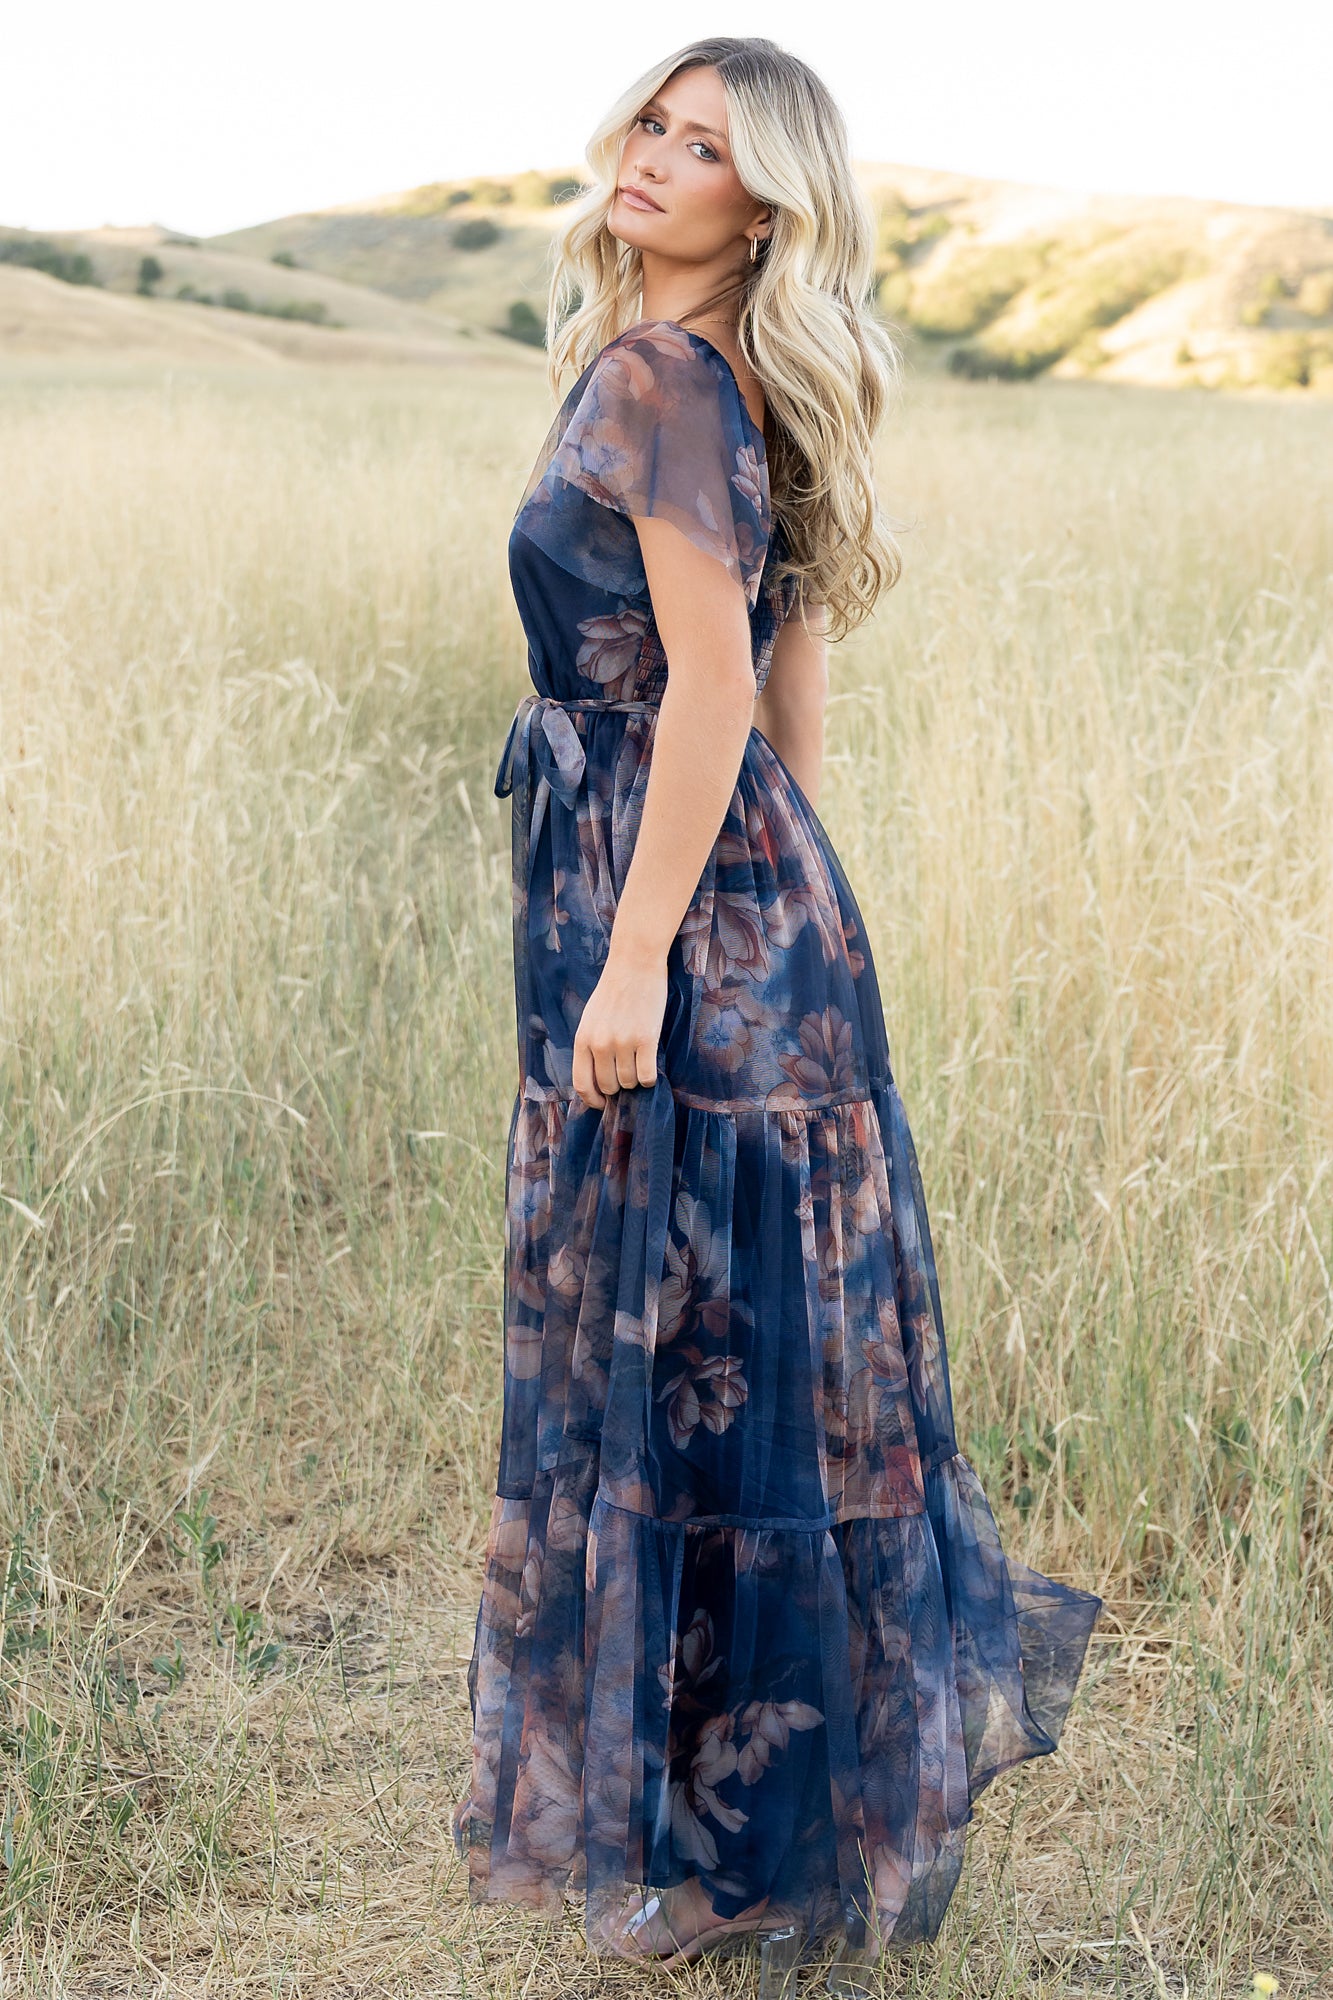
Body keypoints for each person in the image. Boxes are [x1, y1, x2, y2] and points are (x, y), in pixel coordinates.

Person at [450, 35, 1102, 1995]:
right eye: (655, 121)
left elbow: (720, 699)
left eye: (707, 146)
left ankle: (731, 1864)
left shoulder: (660, 378)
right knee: (752, 1369)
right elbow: (789, 724)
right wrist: (788, 944)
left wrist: (645, 954)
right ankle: (765, 1839)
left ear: (769, 205)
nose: (657, 158)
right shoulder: (729, 383)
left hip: (679, 920)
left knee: (694, 1366)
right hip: (765, 919)